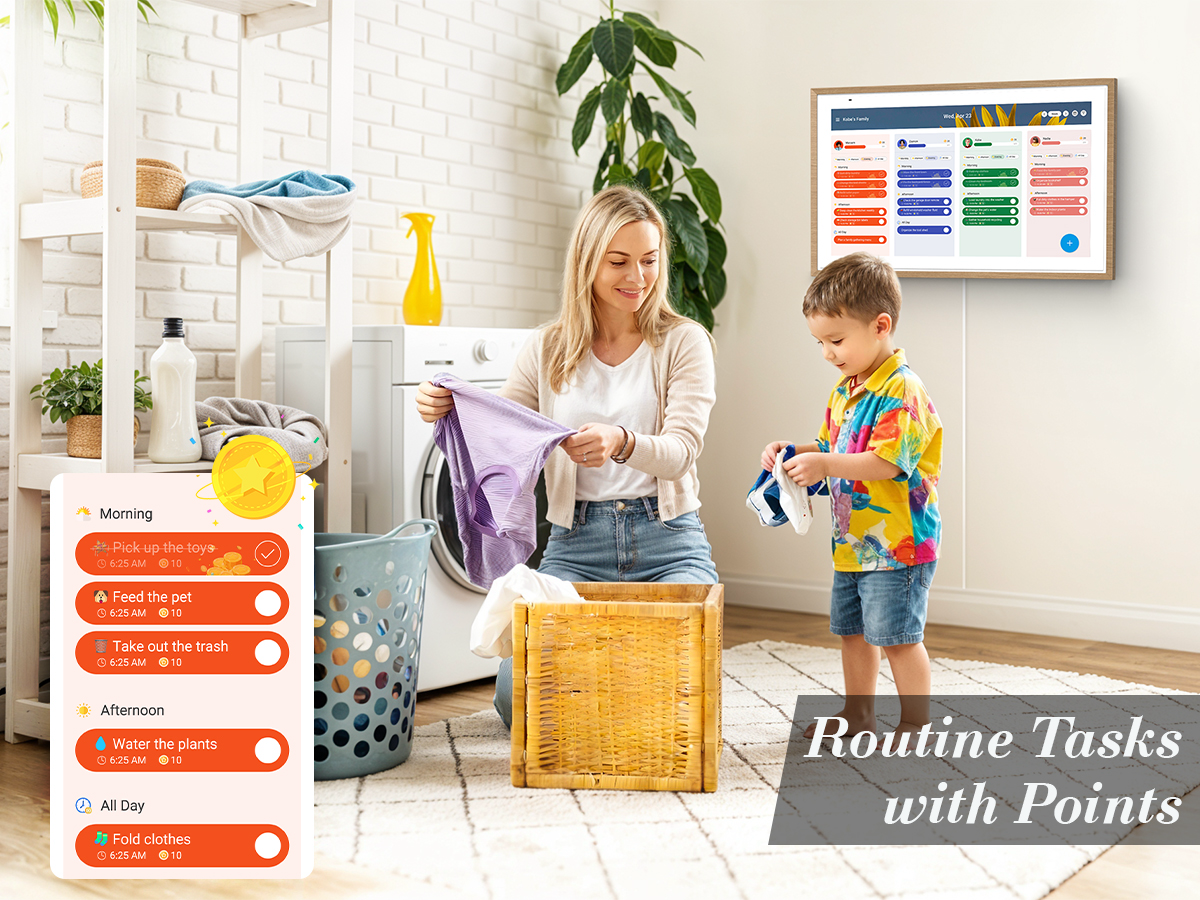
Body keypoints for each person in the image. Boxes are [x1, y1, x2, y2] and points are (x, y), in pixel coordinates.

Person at [416, 184, 718, 727]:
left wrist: (620, 441)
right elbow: (502, 437)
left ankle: (610, 691)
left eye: (649, 261)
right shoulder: (547, 347)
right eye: (619, 261)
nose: (638, 277)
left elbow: (681, 452)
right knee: (519, 706)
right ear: (587, 261)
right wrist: (440, 406)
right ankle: (615, 690)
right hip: (577, 544)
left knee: (689, 696)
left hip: (668, 539)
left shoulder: (683, 341)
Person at [761, 251, 942, 742]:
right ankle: (858, 715)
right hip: (854, 544)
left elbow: (886, 462)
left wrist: (823, 463)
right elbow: (832, 449)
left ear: (880, 325)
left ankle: (914, 724)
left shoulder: (903, 391)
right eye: (819, 342)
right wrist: (794, 452)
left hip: (898, 546)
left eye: (836, 340)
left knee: (899, 639)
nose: (827, 352)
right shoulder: (846, 390)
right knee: (853, 633)